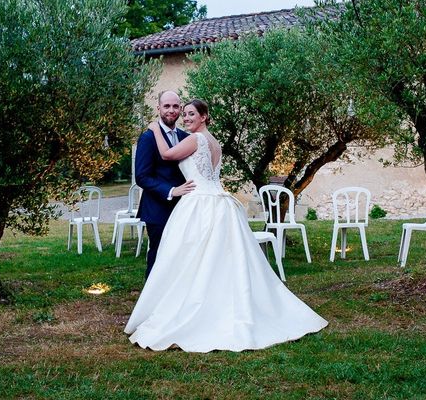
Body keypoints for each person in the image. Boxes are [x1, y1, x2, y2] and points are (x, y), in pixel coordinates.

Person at [125, 99, 327, 352]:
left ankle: (193, 308)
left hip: (199, 203)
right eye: (183, 113)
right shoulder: (214, 142)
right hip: (218, 201)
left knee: (190, 256)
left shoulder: (195, 139)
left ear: (204, 117)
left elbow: (166, 155)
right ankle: (219, 303)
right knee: (218, 259)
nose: (185, 118)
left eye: (190, 114)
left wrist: (155, 129)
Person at [135, 90, 195, 279]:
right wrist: (171, 190)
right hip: (157, 209)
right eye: (167, 106)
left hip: (184, 208)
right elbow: (142, 177)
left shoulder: (186, 137)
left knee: (181, 258)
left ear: (180, 109)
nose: (171, 110)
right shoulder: (148, 137)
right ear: (158, 108)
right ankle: (150, 302)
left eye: (175, 106)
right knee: (158, 255)